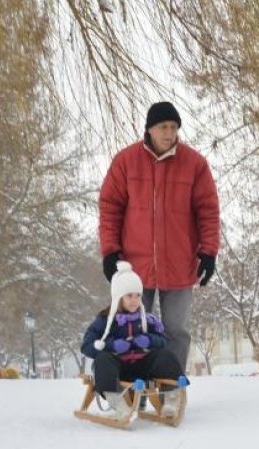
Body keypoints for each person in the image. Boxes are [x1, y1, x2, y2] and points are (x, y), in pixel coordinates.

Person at [98, 101, 220, 371]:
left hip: (179, 263)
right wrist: (110, 250)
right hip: (135, 267)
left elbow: (208, 211)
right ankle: (135, 384)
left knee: (176, 329)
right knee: (134, 326)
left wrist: (208, 252)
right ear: (150, 129)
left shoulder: (195, 164)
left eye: (174, 127)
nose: (169, 133)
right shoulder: (126, 162)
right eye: (163, 127)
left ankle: (170, 385)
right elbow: (109, 208)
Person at [81, 262, 185, 419]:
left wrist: (149, 340)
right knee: (102, 359)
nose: (134, 300)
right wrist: (111, 345)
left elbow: (163, 341)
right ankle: (117, 403)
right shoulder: (105, 319)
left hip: (141, 367)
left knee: (165, 355)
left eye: (138, 295)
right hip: (117, 368)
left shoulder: (147, 319)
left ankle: (171, 398)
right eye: (129, 295)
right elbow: (86, 346)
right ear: (118, 297)